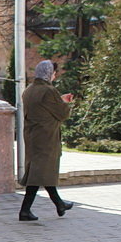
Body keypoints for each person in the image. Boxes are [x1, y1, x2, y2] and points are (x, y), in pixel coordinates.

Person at [19, 59, 75, 221]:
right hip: (46, 137)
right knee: (40, 173)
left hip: (32, 136)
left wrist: (59, 100)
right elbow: (63, 113)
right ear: (49, 74)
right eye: (54, 73)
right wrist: (64, 102)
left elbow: (45, 108)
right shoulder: (48, 91)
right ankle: (26, 210)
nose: (55, 76)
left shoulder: (29, 90)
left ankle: (59, 204)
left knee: (41, 172)